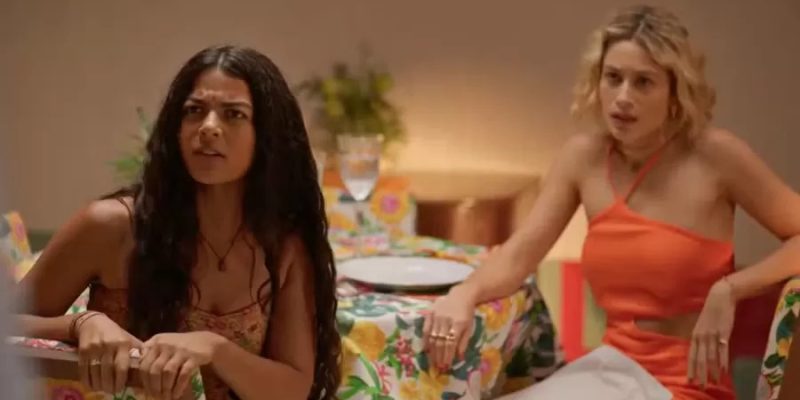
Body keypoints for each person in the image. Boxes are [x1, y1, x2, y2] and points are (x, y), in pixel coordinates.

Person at [423, 5, 800, 400]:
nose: (623, 97)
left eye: (643, 83)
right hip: (611, 372)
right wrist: (464, 294)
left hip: (687, 386)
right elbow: (519, 255)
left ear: (675, 91)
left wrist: (730, 288)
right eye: (613, 78)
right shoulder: (583, 158)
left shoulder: (716, 156)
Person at [14, 45, 340, 400]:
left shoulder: (282, 247)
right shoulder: (112, 226)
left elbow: (292, 389)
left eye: (233, 114)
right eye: (194, 111)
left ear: (267, 136)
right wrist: (81, 323)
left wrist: (215, 349)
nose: (209, 127)